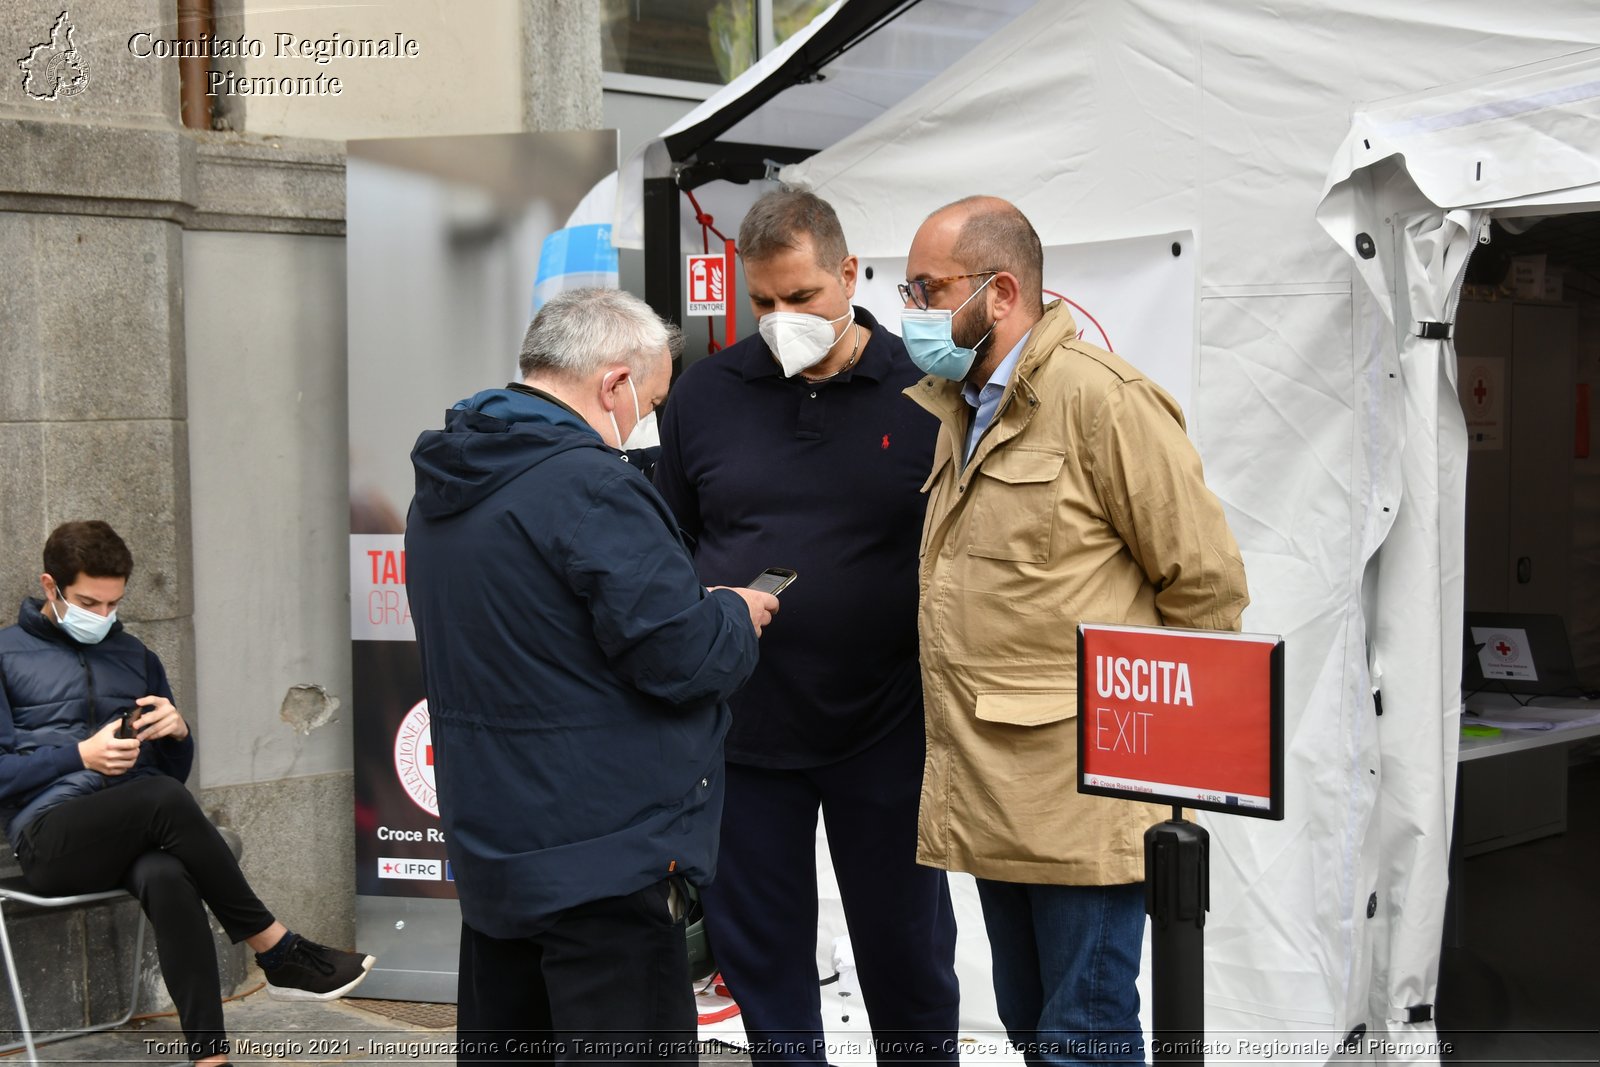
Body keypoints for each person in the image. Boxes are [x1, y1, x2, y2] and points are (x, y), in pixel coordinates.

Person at [899, 197, 1250, 1066]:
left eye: (926, 288)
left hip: (1086, 797)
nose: (910, 309)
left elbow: (1206, 588)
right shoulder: (963, 404)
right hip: (991, 786)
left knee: (1082, 1038)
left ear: (1001, 290)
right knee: (1029, 1023)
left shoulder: (1102, 401)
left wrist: (1159, 775)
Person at [403, 287, 776, 1064]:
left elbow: (542, 634)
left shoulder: (445, 482)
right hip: (604, 860)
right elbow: (683, 659)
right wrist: (735, 614)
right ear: (614, 384)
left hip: (501, 852)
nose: (652, 422)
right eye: (655, 399)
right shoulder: (590, 485)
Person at [654, 189, 959, 1065]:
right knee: (766, 969)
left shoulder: (928, 390)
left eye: (802, 297)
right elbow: (670, 543)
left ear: (851, 275)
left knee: (908, 960)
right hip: (744, 736)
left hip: (889, 730)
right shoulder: (707, 393)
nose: (782, 319)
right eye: (763, 303)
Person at [0, 520, 374, 1067]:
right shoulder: (5, 654)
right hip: (49, 838)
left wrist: (178, 736)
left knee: (167, 874)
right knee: (159, 802)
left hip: (131, 825)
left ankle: (210, 1059)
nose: (102, 618)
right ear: (49, 584)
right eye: (88, 602)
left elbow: (168, 778)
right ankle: (275, 947)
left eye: (113, 604)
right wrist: (80, 756)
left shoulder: (134, 655)